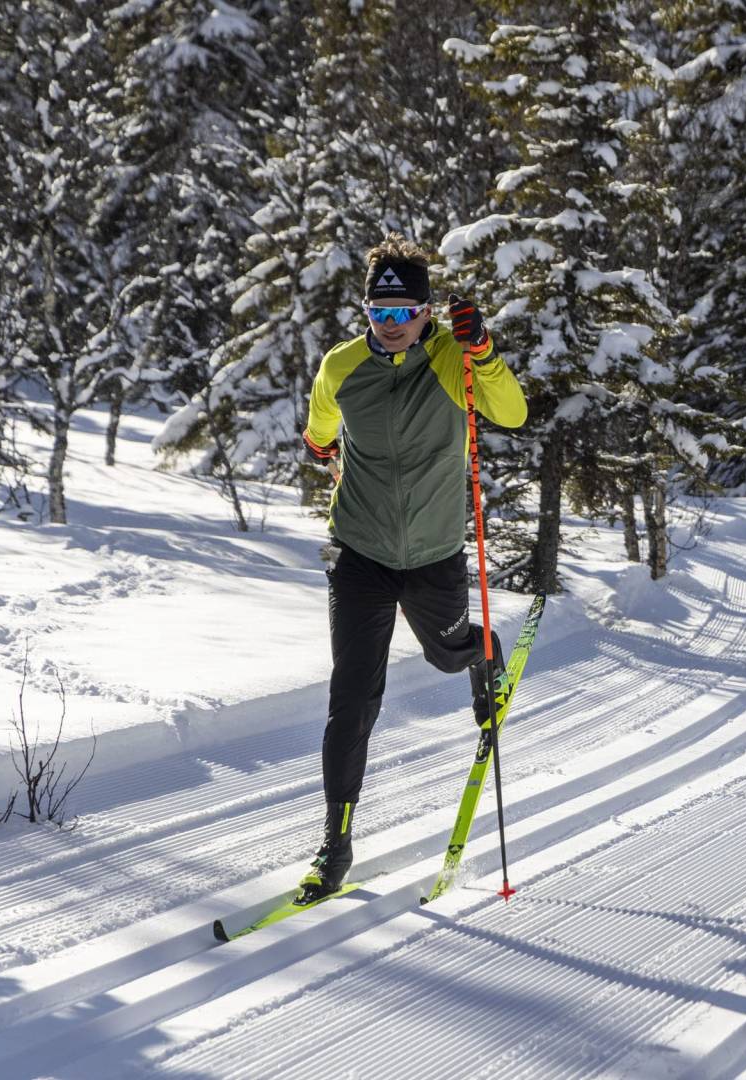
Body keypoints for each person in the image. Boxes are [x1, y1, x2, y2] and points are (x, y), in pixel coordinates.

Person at [295, 237, 528, 902]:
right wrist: (322, 445)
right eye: (379, 311)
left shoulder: (454, 360)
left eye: (405, 312)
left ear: (428, 311)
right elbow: (318, 431)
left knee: (446, 653)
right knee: (352, 700)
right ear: (365, 310)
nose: (391, 325)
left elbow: (511, 412)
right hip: (360, 551)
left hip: (433, 556)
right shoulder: (342, 366)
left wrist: (482, 352)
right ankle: (334, 846)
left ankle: (482, 653)